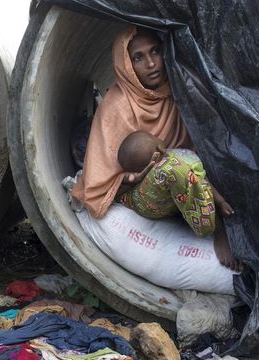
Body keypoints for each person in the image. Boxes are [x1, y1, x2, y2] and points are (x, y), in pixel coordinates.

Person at [71, 26, 241, 270]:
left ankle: (210, 208)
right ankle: (215, 227)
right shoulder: (116, 107)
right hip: (140, 189)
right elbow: (99, 184)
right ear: (125, 65)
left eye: (155, 52)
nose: (151, 63)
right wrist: (132, 179)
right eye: (138, 58)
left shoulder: (178, 89)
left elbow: (204, 145)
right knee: (177, 169)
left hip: (186, 176)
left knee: (218, 153)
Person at [117, 130, 233, 238]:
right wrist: (220, 201)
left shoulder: (176, 158)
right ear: (159, 149)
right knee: (176, 171)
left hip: (140, 203)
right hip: (150, 203)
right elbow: (202, 182)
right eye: (154, 137)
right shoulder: (179, 162)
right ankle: (215, 229)